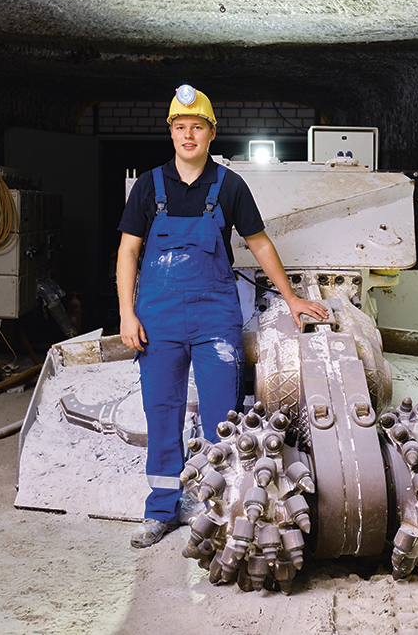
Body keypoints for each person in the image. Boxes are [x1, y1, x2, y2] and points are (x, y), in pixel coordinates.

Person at [116, 85, 328, 548]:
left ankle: (222, 511)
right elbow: (128, 251)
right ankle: (161, 511)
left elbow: (260, 243)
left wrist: (291, 299)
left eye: (196, 127)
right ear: (170, 133)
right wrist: (126, 314)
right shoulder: (148, 187)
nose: (187, 135)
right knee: (163, 412)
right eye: (179, 128)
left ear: (211, 133)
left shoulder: (229, 185)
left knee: (223, 420)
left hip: (215, 319)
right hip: (158, 319)